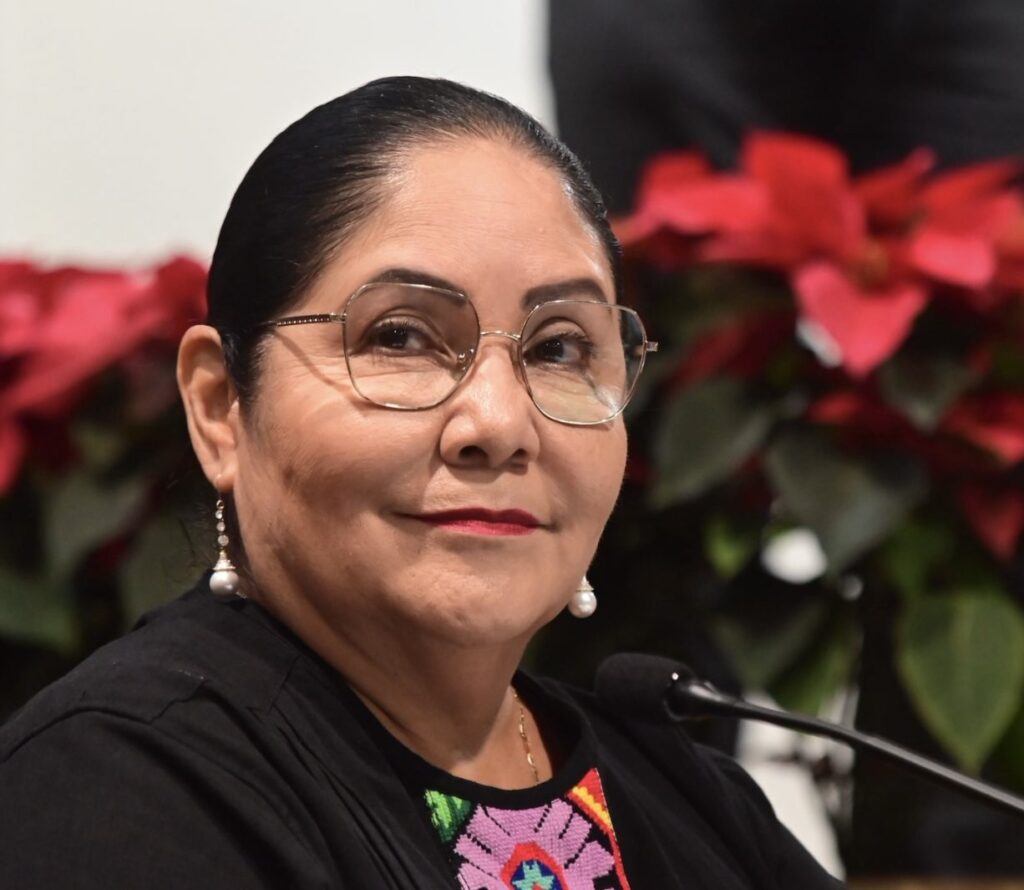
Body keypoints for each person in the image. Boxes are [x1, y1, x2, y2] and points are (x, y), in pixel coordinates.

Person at [0, 77, 842, 888]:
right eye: (400, 337)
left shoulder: (687, 797)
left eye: (558, 348)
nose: (499, 425)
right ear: (221, 406)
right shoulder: (113, 784)